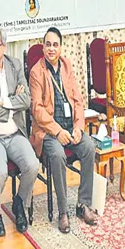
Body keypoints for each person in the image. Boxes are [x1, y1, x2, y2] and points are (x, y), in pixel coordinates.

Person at [29, 27, 97, 233]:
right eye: (48, 44)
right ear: (43, 47)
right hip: (49, 132)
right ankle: (63, 212)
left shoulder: (67, 65)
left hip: (70, 127)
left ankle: (82, 204)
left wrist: (78, 127)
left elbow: (77, 100)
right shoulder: (36, 71)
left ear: (60, 47)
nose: (51, 48)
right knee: (58, 155)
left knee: (89, 147)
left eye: (55, 44)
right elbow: (37, 110)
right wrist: (58, 132)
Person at [0, 26, 39, 236]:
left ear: (4, 46)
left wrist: (2, 101)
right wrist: (13, 104)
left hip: (14, 133)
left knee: (32, 165)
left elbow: (26, 100)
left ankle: (19, 202)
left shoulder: (16, 65)